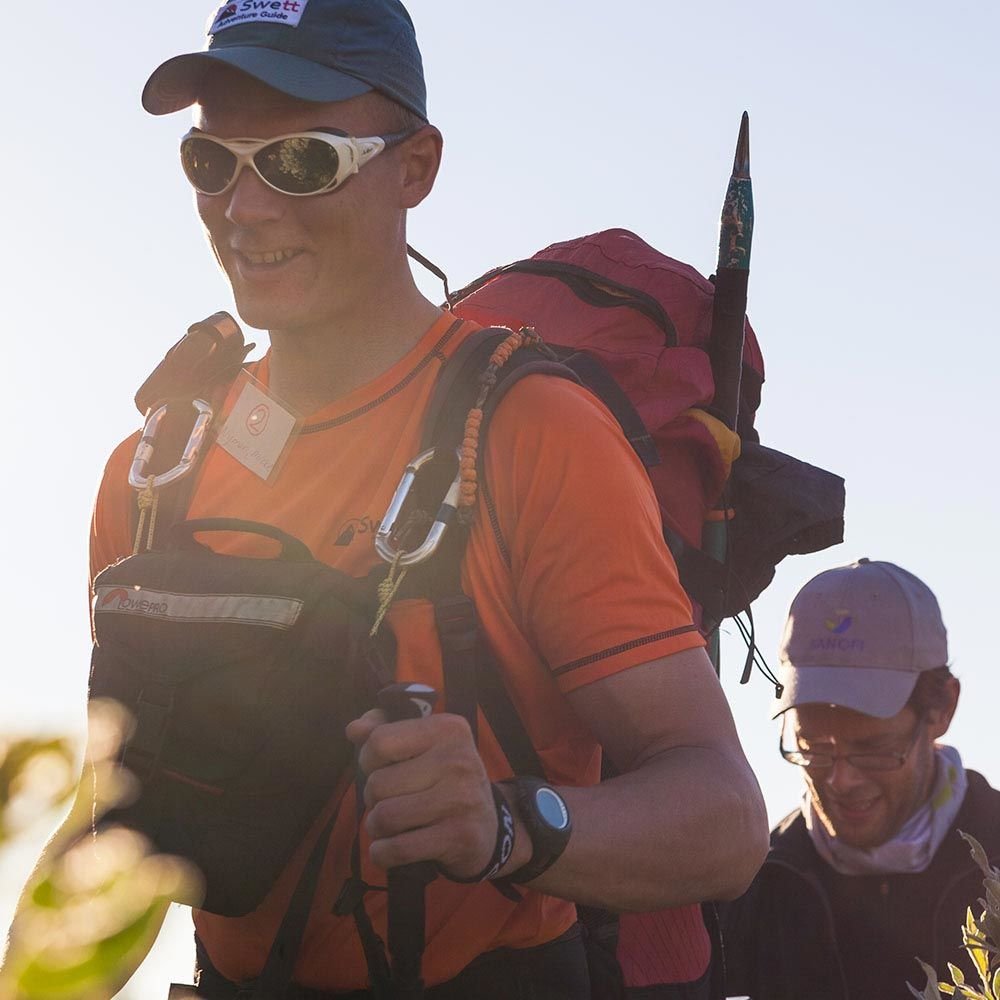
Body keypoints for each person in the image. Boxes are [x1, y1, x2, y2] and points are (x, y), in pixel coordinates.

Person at [4, 1, 769, 997]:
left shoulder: (528, 435)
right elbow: (119, 798)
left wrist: (504, 824)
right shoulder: (154, 469)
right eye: (212, 161)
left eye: (300, 161)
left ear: (415, 167)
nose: (244, 207)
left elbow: (723, 819)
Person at [721, 558, 1000, 1000]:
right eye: (813, 747)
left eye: (872, 748)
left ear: (942, 709)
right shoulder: (761, 883)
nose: (840, 779)